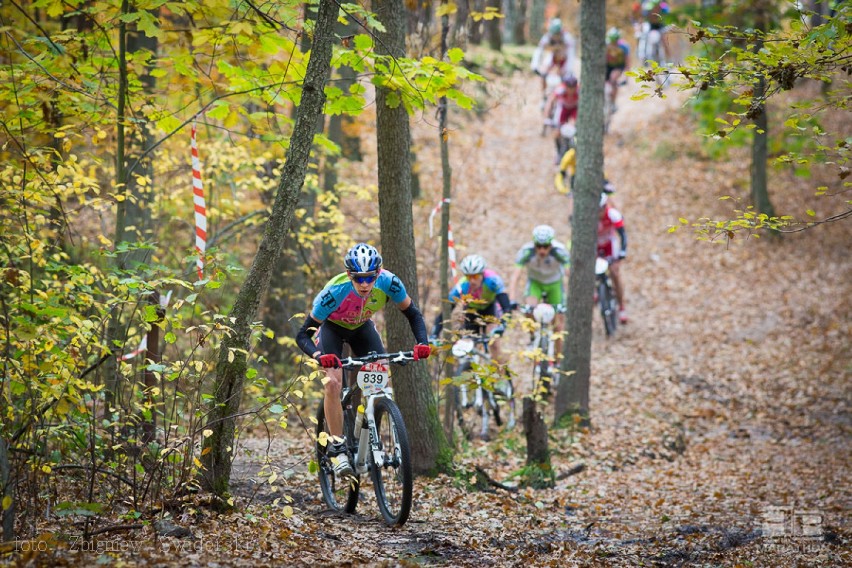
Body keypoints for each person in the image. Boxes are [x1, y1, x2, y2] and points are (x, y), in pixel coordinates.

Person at [295, 243, 431, 478]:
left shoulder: (389, 282)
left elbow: (413, 314)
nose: (365, 284)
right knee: (333, 383)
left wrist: (422, 342)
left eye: (370, 278)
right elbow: (303, 334)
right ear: (349, 275)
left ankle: (369, 429)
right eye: (359, 278)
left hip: (361, 328)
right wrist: (319, 356)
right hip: (332, 329)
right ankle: (337, 446)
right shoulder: (334, 292)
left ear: (378, 273)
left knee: (380, 381)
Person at [431, 254, 513, 364]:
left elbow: (505, 305)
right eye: (469, 277)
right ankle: (469, 370)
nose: (472, 281)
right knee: (468, 346)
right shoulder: (462, 286)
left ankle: (501, 377)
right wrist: (435, 333)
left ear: (482, 274)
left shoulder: (492, 280)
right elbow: (446, 312)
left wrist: (503, 323)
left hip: (490, 310)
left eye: (475, 276)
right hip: (471, 312)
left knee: (494, 344)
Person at [510, 225, 571, 366]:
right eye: (538, 246)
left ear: (551, 244)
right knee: (529, 308)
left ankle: (558, 360)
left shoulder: (560, 251)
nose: (542, 250)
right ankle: (532, 338)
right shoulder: (526, 252)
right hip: (535, 283)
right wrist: (512, 299)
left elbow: (570, 273)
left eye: (546, 246)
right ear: (534, 244)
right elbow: (515, 277)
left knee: (558, 324)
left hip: (554, 283)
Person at [597, 194, 628, 324]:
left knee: (615, 273)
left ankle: (621, 306)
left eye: (601, 209)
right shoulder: (588, 218)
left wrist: (622, 252)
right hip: (595, 246)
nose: (599, 212)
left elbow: (623, 235)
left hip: (611, 244)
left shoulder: (613, 214)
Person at [531, 17, 577, 93]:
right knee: (543, 74)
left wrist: (568, 69)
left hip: (564, 59)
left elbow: (571, 55)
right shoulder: (548, 36)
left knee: (564, 78)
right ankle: (544, 96)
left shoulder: (568, 38)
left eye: (557, 34)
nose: (555, 36)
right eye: (553, 34)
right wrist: (535, 65)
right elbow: (539, 50)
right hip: (552, 58)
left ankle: (561, 96)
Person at [543, 74, 579, 163]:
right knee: (557, 132)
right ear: (565, 86)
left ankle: (573, 150)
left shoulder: (579, 91)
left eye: (573, 87)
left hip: (574, 109)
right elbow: (550, 102)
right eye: (569, 87)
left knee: (572, 127)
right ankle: (559, 152)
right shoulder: (560, 90)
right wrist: (546, 117)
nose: (571, 90)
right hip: (563, 108)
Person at [605, 27, 630, 110]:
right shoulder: (605, 45)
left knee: (613, 79)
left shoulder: (624, 47)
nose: (613, 43)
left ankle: (613, 103)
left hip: (618, 66)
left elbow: (627, 62)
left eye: (615, 40)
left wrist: (626, 77)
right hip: (607, 66)